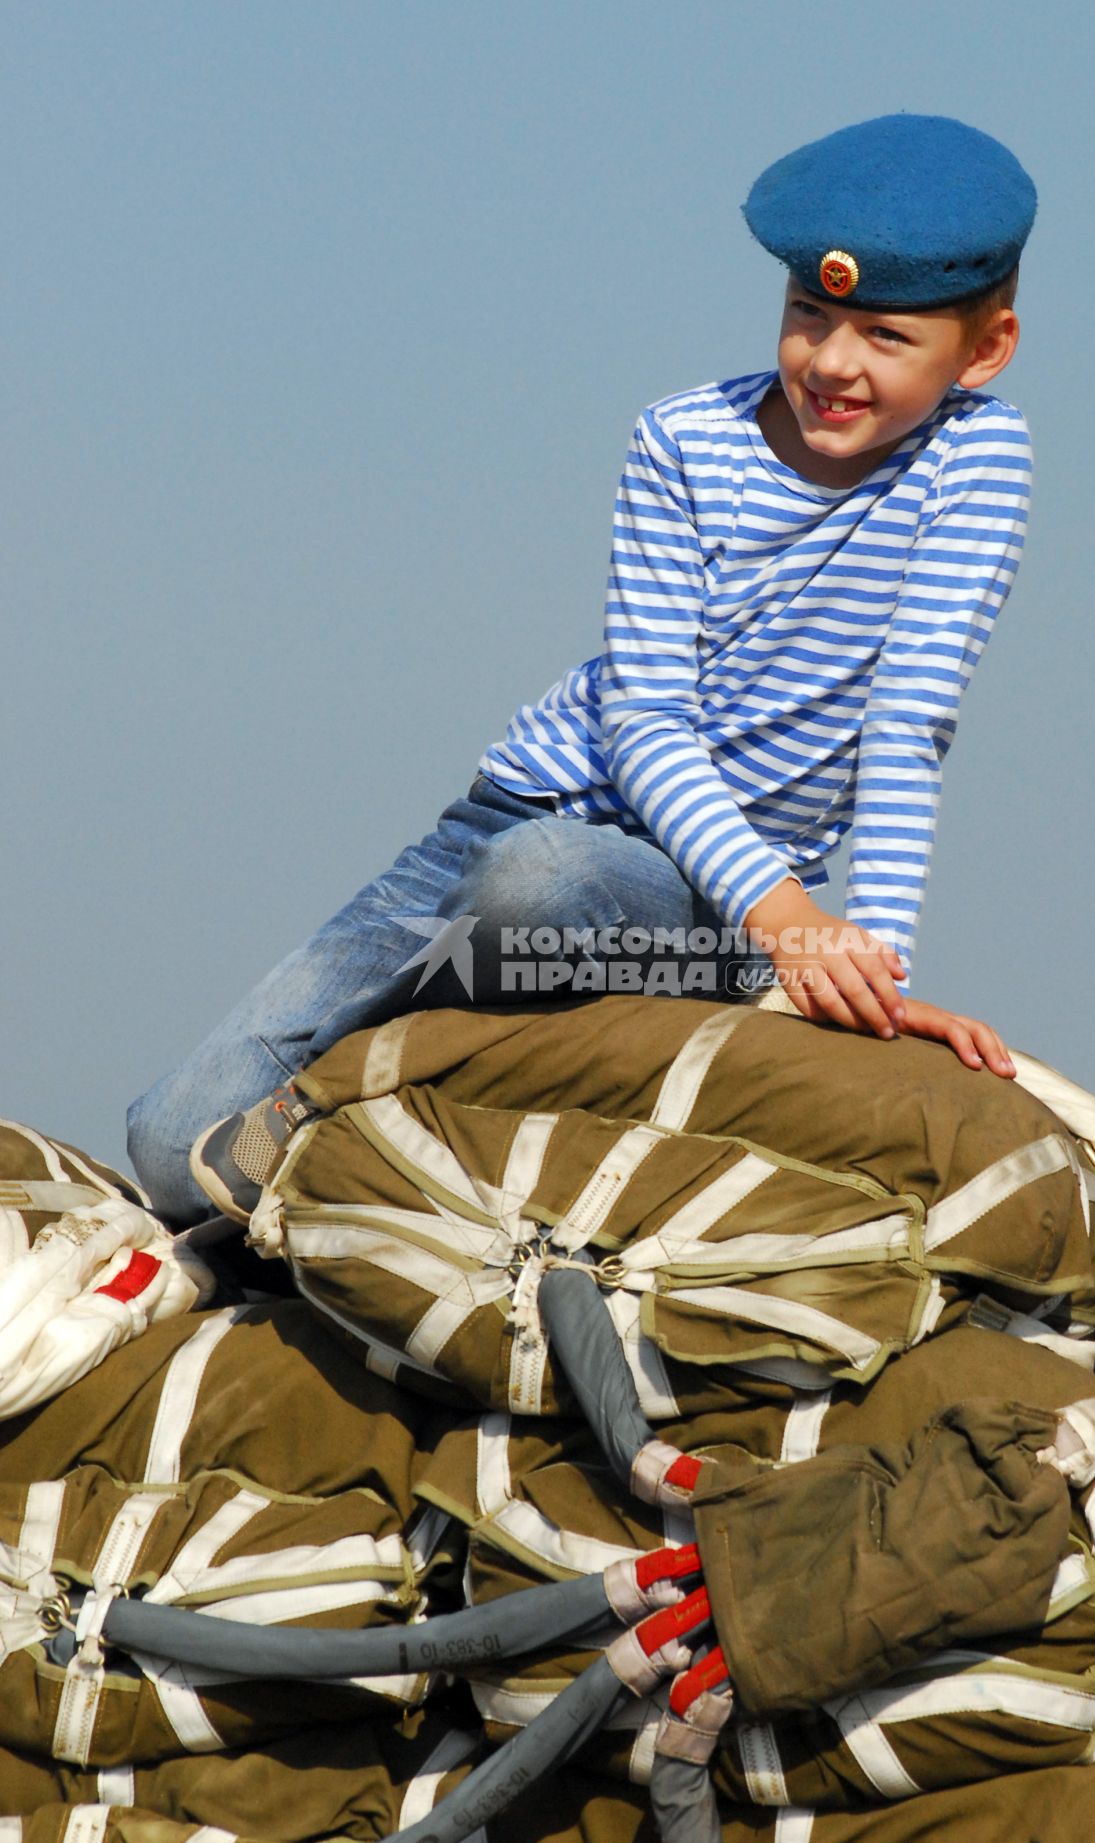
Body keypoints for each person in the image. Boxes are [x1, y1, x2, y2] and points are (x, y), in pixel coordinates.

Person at [128, 112, 1037, 1227]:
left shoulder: (975, 460)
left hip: (707, 899)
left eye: (887, 337)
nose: (833, 363)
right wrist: (793, 927)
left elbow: (907, 725)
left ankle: (337, 1100)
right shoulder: (681, 440)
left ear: (983, 350)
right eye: (811, 315)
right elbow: (645, 724)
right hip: (519, 826)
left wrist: (861, 965)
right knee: (172, 1147)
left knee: (541, 883)